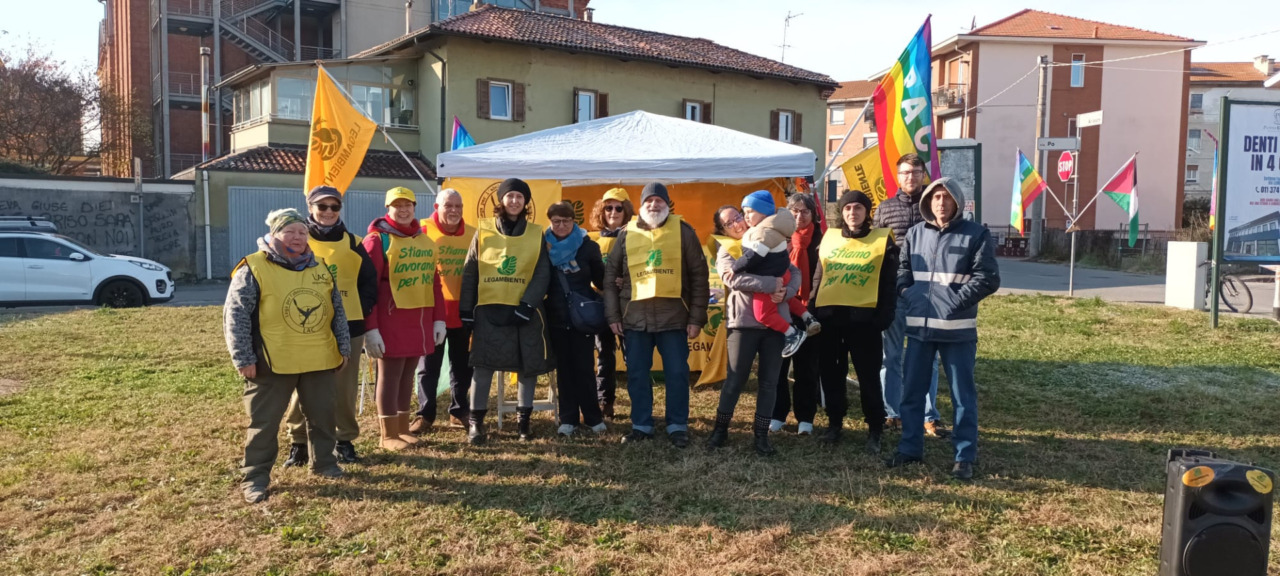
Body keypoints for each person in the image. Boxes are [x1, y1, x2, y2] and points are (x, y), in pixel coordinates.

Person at [223, 208, 351, 504]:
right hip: (271, 362)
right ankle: (255, 477)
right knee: (264, 423)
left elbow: (337, 312)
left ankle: (325, 464)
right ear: (275, 234)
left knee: (323, 416)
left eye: (302, 232)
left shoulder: (319, 267)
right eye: (289, 231)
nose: (297, 237)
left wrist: (343, 348)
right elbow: (236, 316)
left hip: (319, 358)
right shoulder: (253, 268)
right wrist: (243, 357)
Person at [886, 177, 999, 480]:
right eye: (935, 197)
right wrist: (906, 292)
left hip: (957, 330)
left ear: (957, 201)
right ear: (927, 201)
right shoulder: (914, 233)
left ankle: (964, 456)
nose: (940, 203)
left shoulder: (976, 234)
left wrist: (954, 302)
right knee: (912, 393)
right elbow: (903, 270)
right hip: (919, 330)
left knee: (963, 397)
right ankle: (910, 448)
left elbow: (988, 278)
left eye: (946, 197)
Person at [603, 182, 709, 448]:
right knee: (637, 374)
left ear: (667, 204)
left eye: (659, 200)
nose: (653, 205)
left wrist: (696, 318)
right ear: (641, 205)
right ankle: (641, 425)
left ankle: (677, 425)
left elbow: (699, 277)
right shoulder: (626, 233)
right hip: (634, 319)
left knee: (677, 374)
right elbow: (610, 277)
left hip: (674, 319)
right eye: (648, 200)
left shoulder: (684, 232)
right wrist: (613, 316)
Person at [282, 186, 379, 468]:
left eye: (334, 207)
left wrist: (361, 309)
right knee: (303, 385)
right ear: (310, 208)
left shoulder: (354, 242)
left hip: (349, 325)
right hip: (308, 326)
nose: (328, 212)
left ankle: (344, 440)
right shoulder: (299, 240)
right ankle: (299, 442)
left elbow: (369, 283)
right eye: (322, 206)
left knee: (344, 388)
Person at [460, 178, 555, 444]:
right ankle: (476, 424)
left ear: (526, 202)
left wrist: (528, 304)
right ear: (501, 200)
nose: (514, 201)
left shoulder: (536, 233)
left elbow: (542, 272)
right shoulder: (483, 231)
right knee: (482, 367)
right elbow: (470, 271)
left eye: (519, 197)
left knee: (527, 366)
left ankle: (524, 424)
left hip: (524, 313)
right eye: (510, 196)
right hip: (489, 312)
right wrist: (466, 309)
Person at [707, 191, 800, 455]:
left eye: (738, 216)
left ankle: (761, 435)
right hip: (743, 323)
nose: (737, 223)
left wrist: (788, 290)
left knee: (770, 382)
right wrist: (771, 284)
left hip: (775, 323)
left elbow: (793, 271)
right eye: (728, 223)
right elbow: (732, 278)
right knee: (735, 379)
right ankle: (720, 429)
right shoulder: (727, 248)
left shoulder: (767, 236)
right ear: (723, 230)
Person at [809, 190, 898, 452]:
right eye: (847, 208)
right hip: (831, 320)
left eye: (858, 208)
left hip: (865, 323)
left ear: (867, 212)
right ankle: (835, 423)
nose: (852, 213)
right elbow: (819, 276)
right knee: (831, 375)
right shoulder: (830, 238)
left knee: (868, 377)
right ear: (841, 212)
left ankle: (875, 428)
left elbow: (889, 282)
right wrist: (812, 308)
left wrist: (884, 316)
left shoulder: (882, 241)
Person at [362, 187, 447, 452]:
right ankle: (387, 434)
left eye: (407, 204)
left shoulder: (424, 240)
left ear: (414, 207)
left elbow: (435, 283)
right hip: (390, 320)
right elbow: (367, 287)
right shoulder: (377, 240)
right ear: (387, 208)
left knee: (408, 374)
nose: (403, 209)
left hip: (418, 321)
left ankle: (401, 428)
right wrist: (371, 328)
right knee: (390, 375)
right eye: (397, 205)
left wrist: (439, 319)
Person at [874, 153, 947, 437]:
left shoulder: (935, 205)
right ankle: (892, 412)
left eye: (916, 172)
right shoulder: (885, 208)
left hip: (929, 293)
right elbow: (874, 248)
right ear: (897, 176)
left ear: (923, 175)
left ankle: (929, 416)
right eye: (905, 172)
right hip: (894, 293)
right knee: (890, 356)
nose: (911, 177)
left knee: (928, 357)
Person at [410, 188, 476, 434]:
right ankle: (425, 415)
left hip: (463, 310)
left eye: (458, 206)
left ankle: (459, 411)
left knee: (463, 365)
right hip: (432, 310)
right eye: (449, 206)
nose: (454, 210)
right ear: (437, 207)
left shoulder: (473, 234)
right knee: (428, 365)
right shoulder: (422, 230)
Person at [544, 201, 608, 436]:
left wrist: (615, 281)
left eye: (566, 221)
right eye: (556, 221)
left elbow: (601, 279)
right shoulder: (543, 246)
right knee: (564, 370)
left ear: (574, 221)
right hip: (555, 315)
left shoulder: (588, 246)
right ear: (550, 222)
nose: (561, 226)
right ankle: (568, 418)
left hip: (582, 317)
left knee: (584, 368)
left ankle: (593, 416)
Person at [728, 191, 816, 358]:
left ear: (763, 213)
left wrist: (735, 268)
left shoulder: (764, 232)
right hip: (781, 273)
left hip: (771, 278)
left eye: (750, 212)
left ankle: (792, 333)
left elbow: (753, 256)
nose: (746, 217)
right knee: (787, 299)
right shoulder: (773, 227)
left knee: (763, 314)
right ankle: (807, 317)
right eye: (744, 212)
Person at [769, 192, 824, 435]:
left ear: (813, 214)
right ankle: (778, 414)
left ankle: (805, 418)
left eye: (805, 211)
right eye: (795, 211)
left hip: (810, 311)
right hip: (781, 309)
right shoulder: (777, 238)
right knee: (778, 366)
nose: (800, 216)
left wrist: (810, 307)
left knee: (807, 367)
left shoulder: (823, 240)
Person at [588, 188, 633, 418]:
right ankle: (604, 401)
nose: (613, 212)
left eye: (618, 208)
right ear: (601, 211)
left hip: (626, 304)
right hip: (600, 303)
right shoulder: (591, 239)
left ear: (627, 211)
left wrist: (627, 280)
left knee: (632, 356)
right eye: (608, 208)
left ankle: (640, 404)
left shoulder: (635, 237)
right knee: (603, 354)